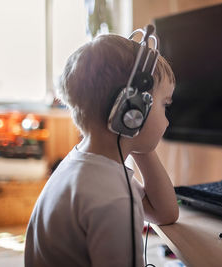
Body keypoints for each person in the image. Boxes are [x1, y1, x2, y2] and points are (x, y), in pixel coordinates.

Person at [24, 32, 179, 267]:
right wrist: (134, 128)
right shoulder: (112, 199)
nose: (167, 120)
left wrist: (133, 134)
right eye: (164, 105)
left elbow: (164, 212)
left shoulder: (86, 164)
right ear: (131, 109)